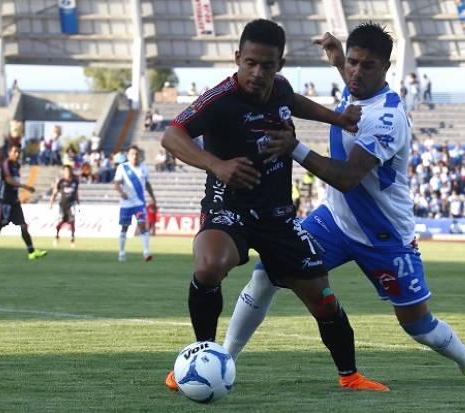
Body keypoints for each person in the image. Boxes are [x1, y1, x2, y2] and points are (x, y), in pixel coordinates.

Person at [223, 24, 465, 385]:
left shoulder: (386, 119)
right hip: (335, 221)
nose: (355, 72)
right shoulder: (356, 87)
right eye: (351, 62)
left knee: (418, 325)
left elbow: (347, 178)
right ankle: (223, 359)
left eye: (366, 66)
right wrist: (338, 59)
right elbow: (354, 81)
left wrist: (295, 147)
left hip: (384, 235)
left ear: (386, 68)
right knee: (265, 274)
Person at [161, 19, 387, 392]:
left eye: (267, 65)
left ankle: (350, 376)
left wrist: (337, 117)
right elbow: (172, 135)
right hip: (228, 206)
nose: (257, 72)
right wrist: (217, 165)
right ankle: (199, 357)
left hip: (278, 215)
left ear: (279, 65)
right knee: (209, 266)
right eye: (250, 63)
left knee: (324, 299)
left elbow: (293, 102)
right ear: (238, 58)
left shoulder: (280, 89)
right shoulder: (220, 99)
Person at [0, 143, 48, 261]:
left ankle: (31, 252)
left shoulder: (16, 165)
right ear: (9, 152)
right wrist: (25, 187)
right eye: (14, 151)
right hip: (4, 201)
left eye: (18, 152)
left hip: (14, 202)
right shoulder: (6, 164)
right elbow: (8, 180)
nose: (17, 154)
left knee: (23, 225)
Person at [113, 145, 156, 262]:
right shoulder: (122, 168)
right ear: (128, 156)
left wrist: (153, 198)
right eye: (132, 154)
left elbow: (147, 184)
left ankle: (146, 253)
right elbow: (116, 183)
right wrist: (121, 192)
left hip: (139, 204)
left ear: (139, 155)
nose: (135, 156)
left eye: (136, 154)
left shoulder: (143, 168)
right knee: (124, 227)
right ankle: (121, 253)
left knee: (142, 225)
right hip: (126, 204)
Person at [49, 165, 79, 247]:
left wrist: (78, 202)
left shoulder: (75, 181)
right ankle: (56, 237)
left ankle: (72, 240)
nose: (67, 173)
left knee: (72, 221)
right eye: (65, 171)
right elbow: (55, 192)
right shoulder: (61, 181)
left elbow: (76, 192)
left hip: (72, 204)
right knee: (60, 221)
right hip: (62, 205)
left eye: (68, 171)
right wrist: (51, 202)